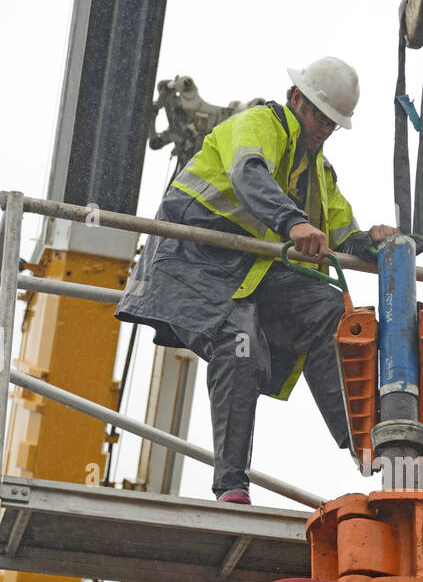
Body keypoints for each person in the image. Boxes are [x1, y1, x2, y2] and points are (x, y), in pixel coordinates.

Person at [116, 57, 397, 504]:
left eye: (332, 124)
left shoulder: (318, 173)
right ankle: (231, 484)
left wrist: (376, 241)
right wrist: (292, 223)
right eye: (319, 117)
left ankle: (360, 440)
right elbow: (248, 172)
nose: (323, 129)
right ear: (296, 99)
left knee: (327, 308)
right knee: (237, 342)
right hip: (193, 261)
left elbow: (346, 235)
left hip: (250, 270)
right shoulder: (259, 124)